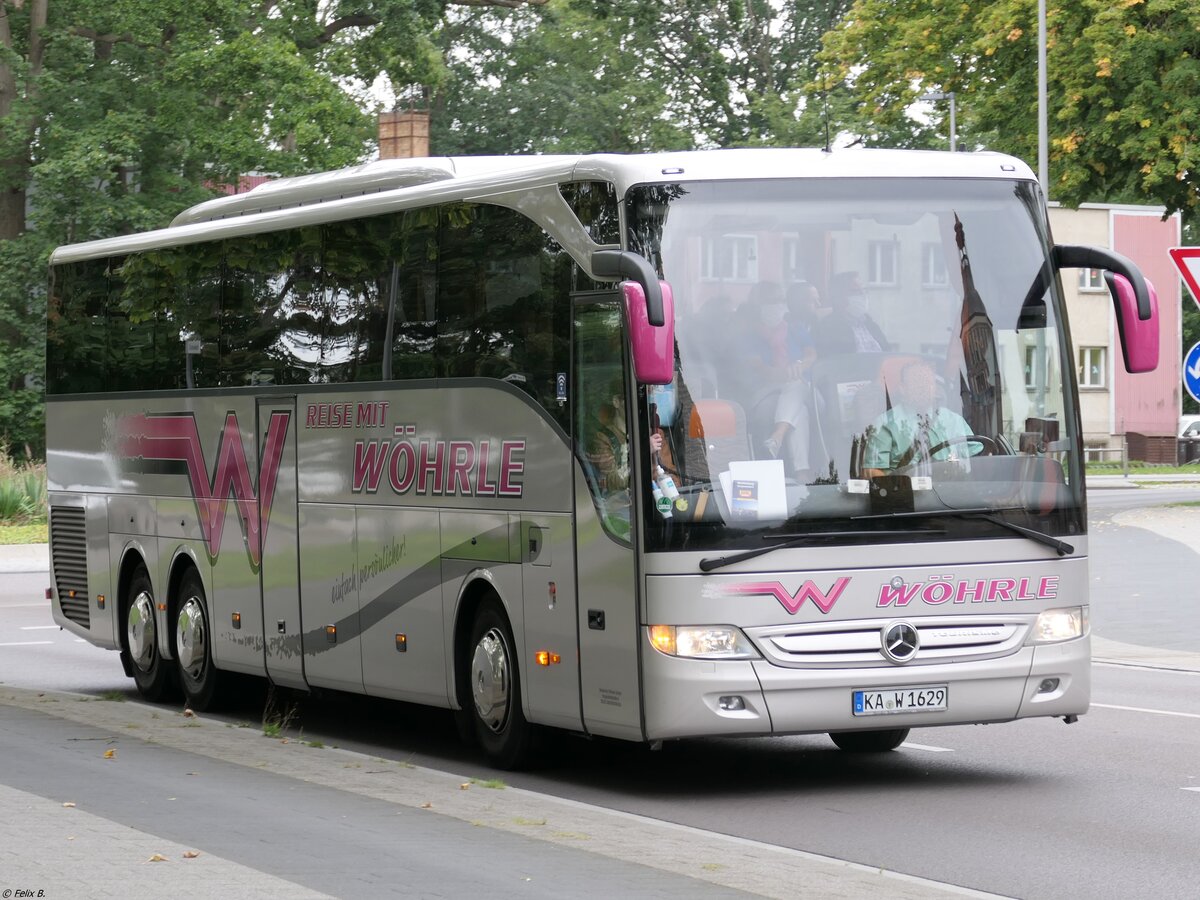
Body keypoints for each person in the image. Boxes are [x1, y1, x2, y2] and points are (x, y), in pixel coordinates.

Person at [730, 282, 814, 478]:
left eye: (779, 300)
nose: (775, 305)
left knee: (796, 387)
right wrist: (789, 372)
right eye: (769, 301)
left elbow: (811, 354)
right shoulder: (748, 335)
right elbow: (761, 369)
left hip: (804, 389)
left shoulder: (795, 327)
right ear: (757, 304)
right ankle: (803, 474)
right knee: (799, 410)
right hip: (766, 390)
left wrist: (800, 366)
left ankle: (777, 436)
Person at [861, 360, 982, 477]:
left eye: (928, 383)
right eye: (916, 383)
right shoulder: (885, 424)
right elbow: (871, 471)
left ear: (935, 388)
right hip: (907, 494)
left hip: (952, 492)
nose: (923, 388)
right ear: (902, 388)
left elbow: (981, 459)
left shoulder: (954, 420)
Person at [817, 271, 889, 354]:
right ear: (838, 297)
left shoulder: (870, 324)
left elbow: (889, 355)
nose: (863, 295)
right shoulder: (828, 328)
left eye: (863, 290)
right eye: (856, 291)